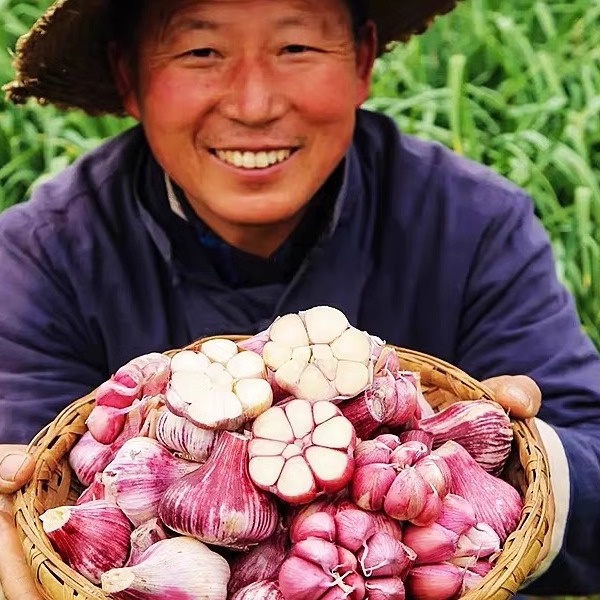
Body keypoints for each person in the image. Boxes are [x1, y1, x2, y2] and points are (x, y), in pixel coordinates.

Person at [0, 0, 599, 597]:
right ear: (128, 75)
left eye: (296, 48)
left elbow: (590, 452)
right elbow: (38, 477)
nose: (254, 105)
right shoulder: (41, 255)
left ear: (363, 61)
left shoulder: (473, 224)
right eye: (201, 52)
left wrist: (526, 460)